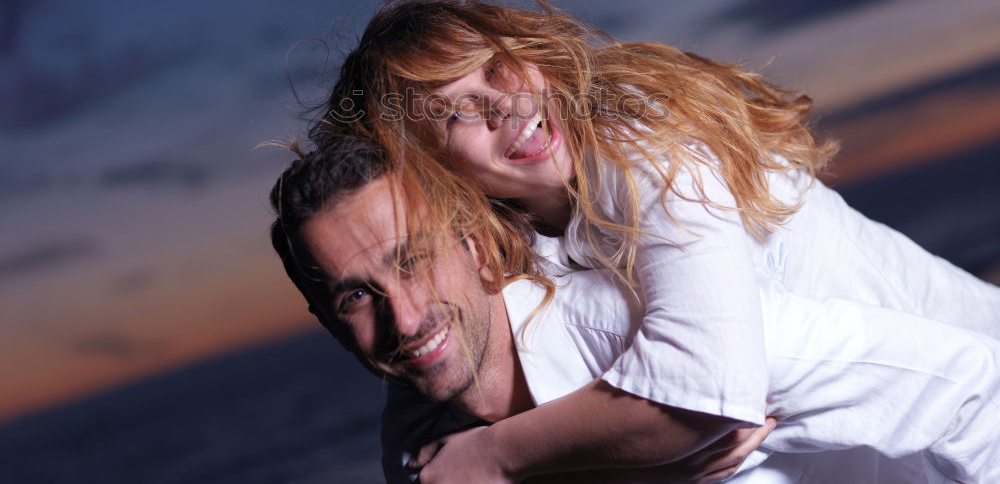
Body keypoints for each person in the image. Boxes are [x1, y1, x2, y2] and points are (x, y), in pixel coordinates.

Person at [310, 0, 1000, 478]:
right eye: (456, 113)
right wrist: (640, 458)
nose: (506, 106)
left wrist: (501, 455)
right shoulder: (519, 252)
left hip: (966, 393)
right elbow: (422, 449)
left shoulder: (635, 131)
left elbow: (707, 382)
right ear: (434, 175)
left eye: (496, 69)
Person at [268, 135, 1000, 483]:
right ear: (329, 322)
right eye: (356, 296)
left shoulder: (656, 336)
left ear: (479, 250)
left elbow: (978, 388)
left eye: (413, 260)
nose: (405, 317)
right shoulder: (430, 448)